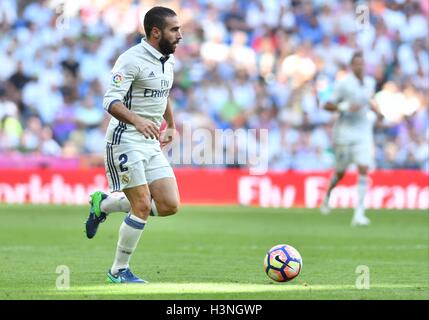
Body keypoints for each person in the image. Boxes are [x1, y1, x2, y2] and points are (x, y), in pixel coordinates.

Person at [85, 6, 182, 283]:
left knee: (168, 205)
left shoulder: (167, 60)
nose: (180, 35)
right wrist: (139, 121)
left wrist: (172, 125)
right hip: (125, 138)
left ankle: (104, 204)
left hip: (150, 142)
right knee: (141, 206)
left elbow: (163, 94)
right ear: (155, 32)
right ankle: (118, 271)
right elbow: (110, 101)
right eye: (174, 30)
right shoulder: (131, 60)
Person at [320, 51, 381, 226]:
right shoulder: (343, 84)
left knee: (364, 168)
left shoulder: (370, 82)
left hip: (363, 132)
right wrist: (344, 106)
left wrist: (378, 111)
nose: (360, 67)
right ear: (351, 66)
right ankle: (328, 195)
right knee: (340, 172)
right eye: (357, 64)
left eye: (362, 63)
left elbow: (369, 99)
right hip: (344, 133)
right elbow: (327, 105)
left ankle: (359, 213)